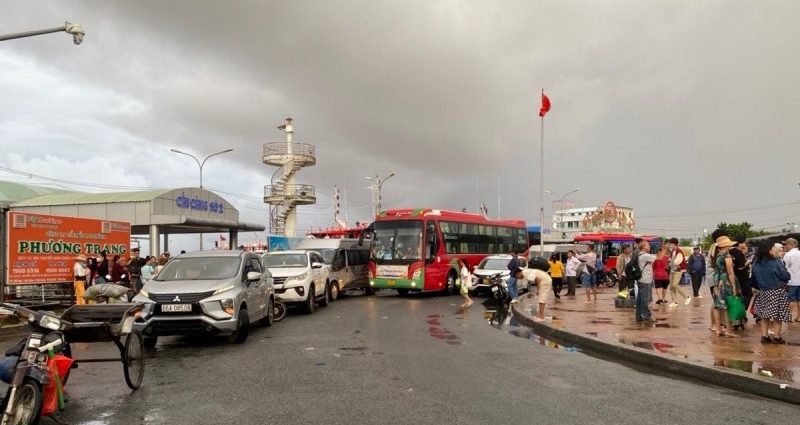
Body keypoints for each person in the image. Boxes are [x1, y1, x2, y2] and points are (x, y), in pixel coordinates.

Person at [751, 240, 792, 343]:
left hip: (763, 291)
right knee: (778, 316)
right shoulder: (775, 262)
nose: (775, 249)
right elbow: (785, 275)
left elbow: (754, 278)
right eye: (773, 247)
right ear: (769, 250)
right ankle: (777, 337)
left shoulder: (756, 262)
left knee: (765, 315)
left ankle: (764, 336)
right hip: (777, 291)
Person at [712, 236, 742, 338]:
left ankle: (718, 329)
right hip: (725, 281)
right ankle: (729, 330)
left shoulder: (718, 255)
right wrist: (734, 286)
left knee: (717, 305)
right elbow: (730, 272)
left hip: (717, 280)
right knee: (727, 306)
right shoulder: (727, 256)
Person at [730, 239, 753, 317]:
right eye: (744, 243)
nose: (745, 244)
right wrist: (747, 263)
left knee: (738, 295)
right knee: (748, 294)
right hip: (742, 278)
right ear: (740, 243)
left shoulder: (731, 251)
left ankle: (738, 314)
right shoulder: (738, 253)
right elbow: (740, 267)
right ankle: (742, 310)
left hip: (735, 277)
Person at [666, 238, 691, 307]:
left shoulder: (679, 251)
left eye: (670, 244)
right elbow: (670, 260)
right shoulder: (673, 251)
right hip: (672, 270)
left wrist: (670, 262)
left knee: (675, 285)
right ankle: (674, 302)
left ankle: (687, 297)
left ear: (674, 244)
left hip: (678, 270)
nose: (670, 245)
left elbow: (677, 262)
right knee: (671, 286)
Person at [635, 240, 656, 322]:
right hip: (645, 280)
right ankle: (647, 316)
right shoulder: (645, 256)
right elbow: (659, 258)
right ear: (643, 247)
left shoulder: (640, 254)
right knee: (645, 300)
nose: (649, 246)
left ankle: (639, 316)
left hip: (641, 280)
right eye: (648, 245)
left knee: (640, 300)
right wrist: (664, 249)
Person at [782, 238, 800, 321]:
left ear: (791, 245)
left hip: (792, 281)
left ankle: (789, 317)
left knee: (791, 299)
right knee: (799, 299)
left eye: (786, 244)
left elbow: (784, 268)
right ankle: (799, 317)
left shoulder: (788, 255)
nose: (784, 246)